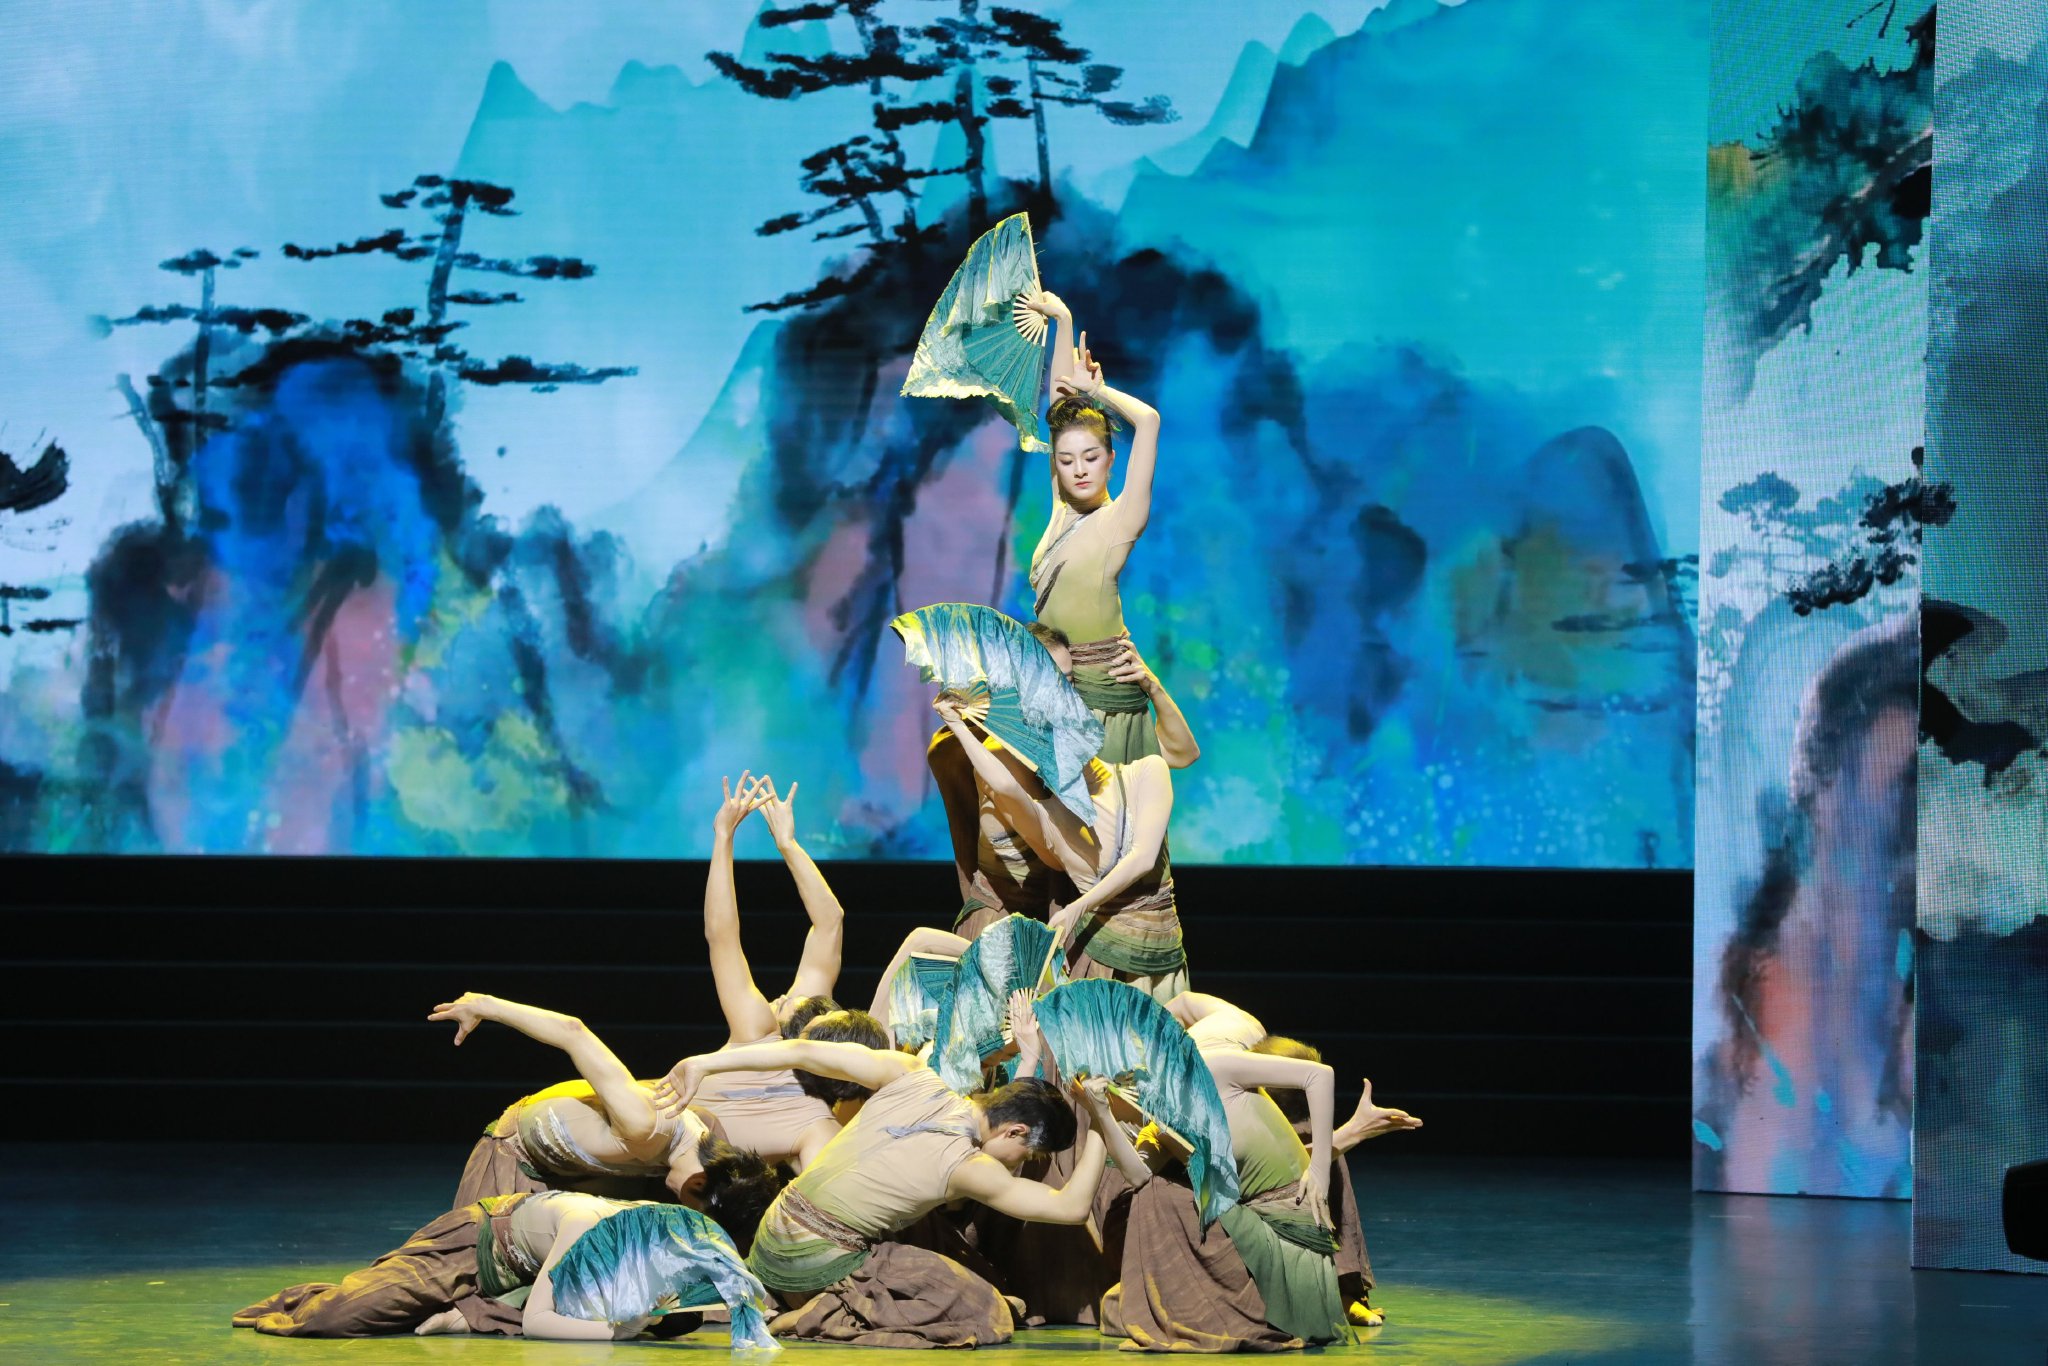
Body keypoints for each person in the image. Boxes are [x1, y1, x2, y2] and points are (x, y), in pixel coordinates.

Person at [650, 1036, 1119, 1347]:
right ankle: (819, 1314)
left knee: (926, 1229)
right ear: (1016, 1131)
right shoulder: (968, 1166)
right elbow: (1071, 1207)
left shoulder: (910, 1073)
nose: (1018, 1164)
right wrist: (1101, 1119)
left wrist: (705, 1063)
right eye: (1026, 1154)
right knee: (986, 1311)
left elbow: (800, 1050)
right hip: (814, 1261)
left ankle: (793, 1300)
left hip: (771, 1235)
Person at [438, 992, 782, 1240]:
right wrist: (485, 1006)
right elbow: (573, 1032)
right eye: (695, 1205)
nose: (687, 1207)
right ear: (698, 1183)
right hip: (516, 1159)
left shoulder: (705, 1133)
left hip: (580, 1175)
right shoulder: (643, 1123)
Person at [232, 1188, 776, 1345]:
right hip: (476, 1249)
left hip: (531, 1277)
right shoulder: (587, 1225)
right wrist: (616, 1331)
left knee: (676, 1320)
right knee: (337, 1318)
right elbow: (539, 1323)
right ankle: (308, 1295)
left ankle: (466, 1314)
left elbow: (731, 1282)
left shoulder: (670, 1232)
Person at [927, 635, 1199, 940]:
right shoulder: (1001, 753)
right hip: (1009, 921)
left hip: (1072, 911)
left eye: (1068, 681)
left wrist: (1152, 686)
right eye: (1046, 681)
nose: (1060, 693)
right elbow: (1044, 831)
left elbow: (1181, 753)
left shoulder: (1075, 732)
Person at [932, 694, 1185, 1001]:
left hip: (1156, 950)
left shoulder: (1146, 771)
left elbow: (1143, 858)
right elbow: (1005, 785)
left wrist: (1077, 907)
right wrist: (957, 725)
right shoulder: (1050, 820)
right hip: (1097, 959)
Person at [1011, 291, 1167, 766]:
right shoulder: (1060, 508)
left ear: (1110, 460)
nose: (1079, 469)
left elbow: (1148, 420)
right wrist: (1062, 321)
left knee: (1106, 811)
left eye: (1091, 457)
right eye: (1066, 460)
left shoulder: (1120, 521)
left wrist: (1097, 392)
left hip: (1105, 704)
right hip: (1055, 687)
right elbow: (1060, 413)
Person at [697, 772, 880, 1170]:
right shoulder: (822, 1068)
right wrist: (787, 843)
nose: (781, 996)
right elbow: (830, 921)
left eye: (783, 1004)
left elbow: (722, 936)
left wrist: (723, 837)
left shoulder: (758, 1032)